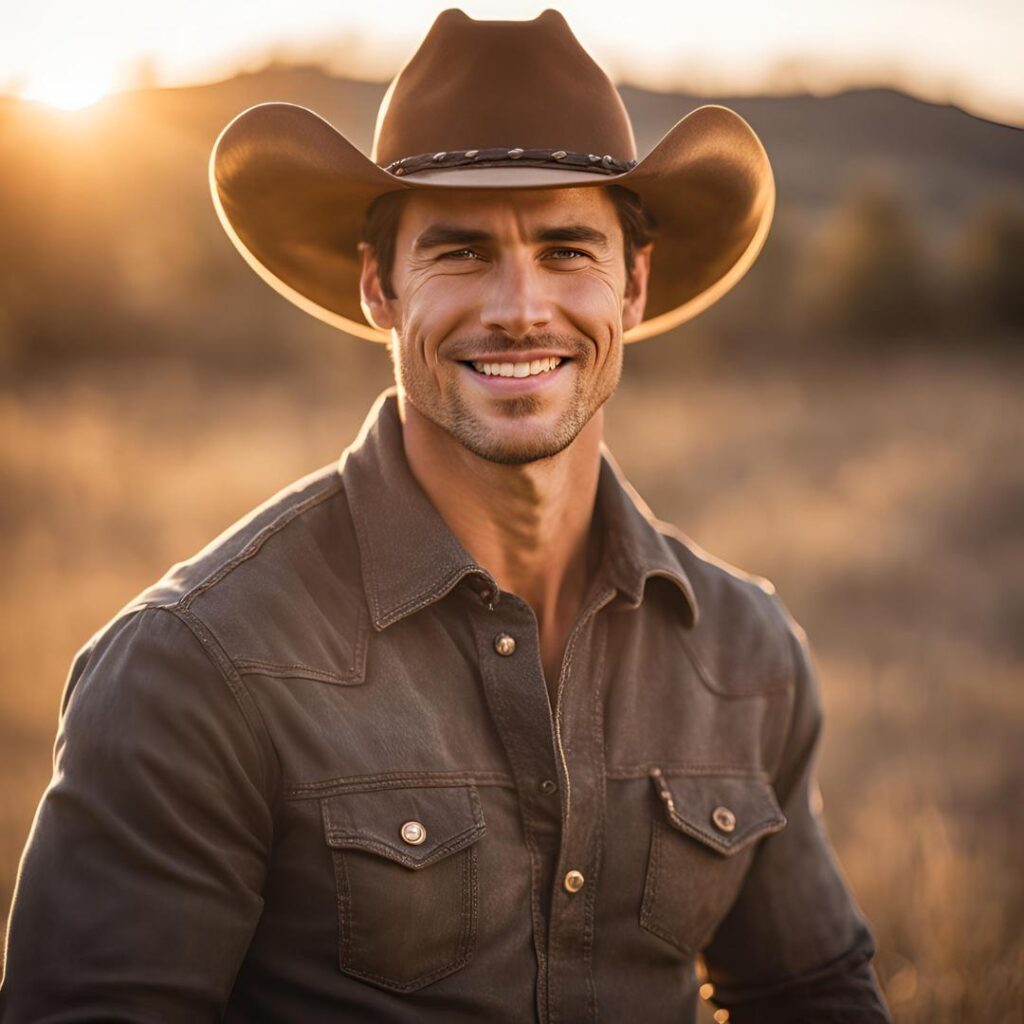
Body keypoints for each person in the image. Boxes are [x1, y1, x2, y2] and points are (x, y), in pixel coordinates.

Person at [0, 10, 891, 1023]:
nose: (518, 306)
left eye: (565, 250)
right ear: (379, 286)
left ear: (633, 285)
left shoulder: (744, 654)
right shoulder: (196, 664)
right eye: (462, 253)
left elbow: (813, 991)